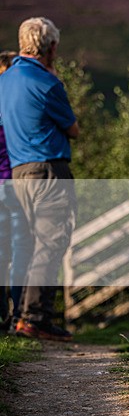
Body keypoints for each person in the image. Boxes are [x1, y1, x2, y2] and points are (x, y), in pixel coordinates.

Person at [0, 17, 79, 341]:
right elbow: (73, 129)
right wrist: (53, 75)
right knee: (52, 242)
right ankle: (35, 318)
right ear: (52, 47)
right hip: (48, 169)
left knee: (29, 246)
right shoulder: (47, 83)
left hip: (17, 173)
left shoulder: (5, 81)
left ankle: (20, 315)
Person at [0, 50, 33, 334]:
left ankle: (3, 315)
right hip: (15, 184)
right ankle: (19, 314)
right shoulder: (15, 106)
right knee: (21, 250)